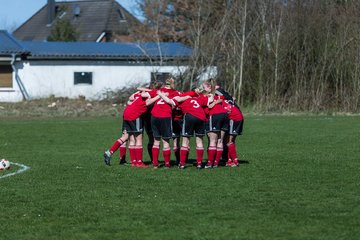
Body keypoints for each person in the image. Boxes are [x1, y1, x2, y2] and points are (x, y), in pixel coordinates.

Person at [103, 90, 159, 167]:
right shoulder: (148, 96)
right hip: (135, 115)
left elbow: (130, 98)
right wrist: (159, 96)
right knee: (138, 139)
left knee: (129, 137)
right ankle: (139, 163)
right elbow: (148, 103)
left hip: (127, 114)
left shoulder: (138, 94)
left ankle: (111, 153)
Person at [168, 87, 213, 169]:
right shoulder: (199, 98)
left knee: (185, 141)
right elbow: (210, 100)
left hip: (190, 117)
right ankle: (199, 164)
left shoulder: (182, 99)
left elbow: (172, 101)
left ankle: (182, 164)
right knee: (199, 141)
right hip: (201, 117)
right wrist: (211, 94)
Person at [143, 77, 179, 168]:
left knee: (156, 140)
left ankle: (155, 164)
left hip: (154, 116)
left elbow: (143, 94)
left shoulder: (158, 90)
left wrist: (157, 94)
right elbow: (174, 105)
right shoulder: (175, 93)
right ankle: (167, 164)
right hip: (165, 116)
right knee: (166, 141)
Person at [202, 79, 229, 168]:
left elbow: (206, 107)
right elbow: (222, 98)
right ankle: (216, 163)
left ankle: (210, 163)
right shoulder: (218, 93)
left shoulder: (207, 95)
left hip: (215, 115)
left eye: (204, 87)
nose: (203, 89)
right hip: (225, 115)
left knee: (213, 140)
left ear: (209, 86)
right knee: (220, 140)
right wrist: (215, 102)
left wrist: (212, 103)